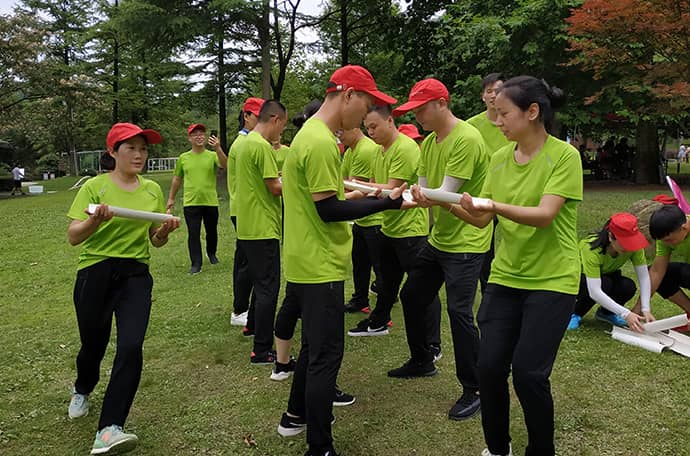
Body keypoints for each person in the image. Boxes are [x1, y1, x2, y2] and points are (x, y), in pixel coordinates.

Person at [443, 76, 582, 456]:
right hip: (506, 277)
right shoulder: (500, 158)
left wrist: (492, 205)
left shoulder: (564, 156)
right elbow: (481, 220)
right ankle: (497, 448)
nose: (497, 121)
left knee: (529, 374)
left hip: (552, 279)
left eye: (504, 113)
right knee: (489, 368)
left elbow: (544, 215)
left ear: (532, 111)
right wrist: (442, 202)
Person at [277, 65, 406, 456]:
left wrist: (372, 199)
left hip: (305, 258)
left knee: (314, 348)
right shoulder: (319, 142)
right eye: (365, 105)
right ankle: (320, 446)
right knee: (326, 356)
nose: (365, 116)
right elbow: (329, 209)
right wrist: (387, 202)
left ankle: (295, 416)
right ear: (347, 94)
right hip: (320, 264)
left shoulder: (311, 135)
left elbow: (324, 200)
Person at [66, 123, 180, 455]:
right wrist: (95, 221)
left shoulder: (152, 190)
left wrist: (164, 232)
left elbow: (155, 241)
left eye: (144, 149)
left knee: (131, 346)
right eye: (131, 148)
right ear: (113, 152)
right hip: (96, 272)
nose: (139, 155)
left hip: (135, 275)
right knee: (93, 344)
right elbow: (74, 236)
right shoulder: (94, 187)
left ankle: (109, 428)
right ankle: (82, 387)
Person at [390, 78, 491, 423]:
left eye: (421, 109)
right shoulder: (431, 143)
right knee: (412, 296)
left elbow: (444, 193)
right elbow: (422, 191)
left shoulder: (466, 139)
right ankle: (422, 360)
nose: (417, 117)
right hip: (440, 239)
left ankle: (475, 388)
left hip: (468, 241)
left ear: (442, 104)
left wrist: (422, 196)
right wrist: (390, 197)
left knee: (459, 312)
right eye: (414, 111)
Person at [348, 105, 441, 357]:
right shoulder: (379, 150)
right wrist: (354, 190)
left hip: (410, 230)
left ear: (390, 121)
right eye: (367, 128)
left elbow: (391, 189)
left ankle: (433, 344)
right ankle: (378, 321)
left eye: (374, 126)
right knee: (386, 282)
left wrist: (357, 186)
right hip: (389, 226)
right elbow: (374, 187)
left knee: (423, 288)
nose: (371, 132)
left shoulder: (405, 148)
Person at [235, 100, 287, 364]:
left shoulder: (245, 143)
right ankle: (262, 348)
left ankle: (252, 325)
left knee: (259, 283)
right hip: (263, 227)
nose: (281, 133)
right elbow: (275, 188)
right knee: (268, 288)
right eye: (282, 126)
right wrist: (298, 182)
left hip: (247, 225)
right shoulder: (262, 146)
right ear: (275, 120)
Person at [467, 73, 513, 293]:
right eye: (489, 91)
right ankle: (487, 288)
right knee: (484, 247)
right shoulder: (471, 127)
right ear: (482, 96)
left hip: (511, 192)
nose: (494, 95)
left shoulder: (515, 125)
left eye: (499, 90)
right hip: (481, 195)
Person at [567, 212, 654, 331]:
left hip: (605, 277)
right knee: (604, 283)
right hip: (577, 279)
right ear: (610, 236)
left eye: (631, 241)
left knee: (627, 286)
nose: (629, 247)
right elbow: (594, 291)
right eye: (624, 242)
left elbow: (644, 277)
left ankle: (606, 313)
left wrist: (646, 309)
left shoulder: (634, 247)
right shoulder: (591, 248)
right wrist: (626, 314)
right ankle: (574, 313)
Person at [167, 123, 227, 274]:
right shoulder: (183, 158)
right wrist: (171, 198)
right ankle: (196, 263)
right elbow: (177, 179)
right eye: (195, 134)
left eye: (201, 134)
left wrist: (218, 148)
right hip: (191, 202)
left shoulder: (212, 155)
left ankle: (211, 253)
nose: (199, 137)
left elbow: (225, 165)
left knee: (211, 231)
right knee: (193, 233)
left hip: (210, 200)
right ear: (190, 138)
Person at [227, 97, 264, 327]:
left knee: (246, 260)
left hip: (244, 208)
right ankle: (240, 308)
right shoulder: (244, 144)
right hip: (244, 209)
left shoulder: (248, 142)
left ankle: (243, 306)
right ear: (246, 116)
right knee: (246, 263)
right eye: (257, 116)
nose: (261, 121)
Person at [340, 126, 383, 313]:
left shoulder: (365, 150)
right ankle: (360, 300)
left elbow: (356, 189)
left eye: (341, 132)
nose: (339, 137)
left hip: (375, 219)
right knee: (360, 264)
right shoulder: (351, 151)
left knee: (380, 268)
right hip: (362, 218)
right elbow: (344, 183)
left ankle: (382, 310)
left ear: (355, 128)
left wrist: (333, 201)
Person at [635, 204, 690, 317]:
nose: (666, 243)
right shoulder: (666, 237)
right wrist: (639, 308)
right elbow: (657, 271)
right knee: (653, 272)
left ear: (684, 228)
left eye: (669, 240)